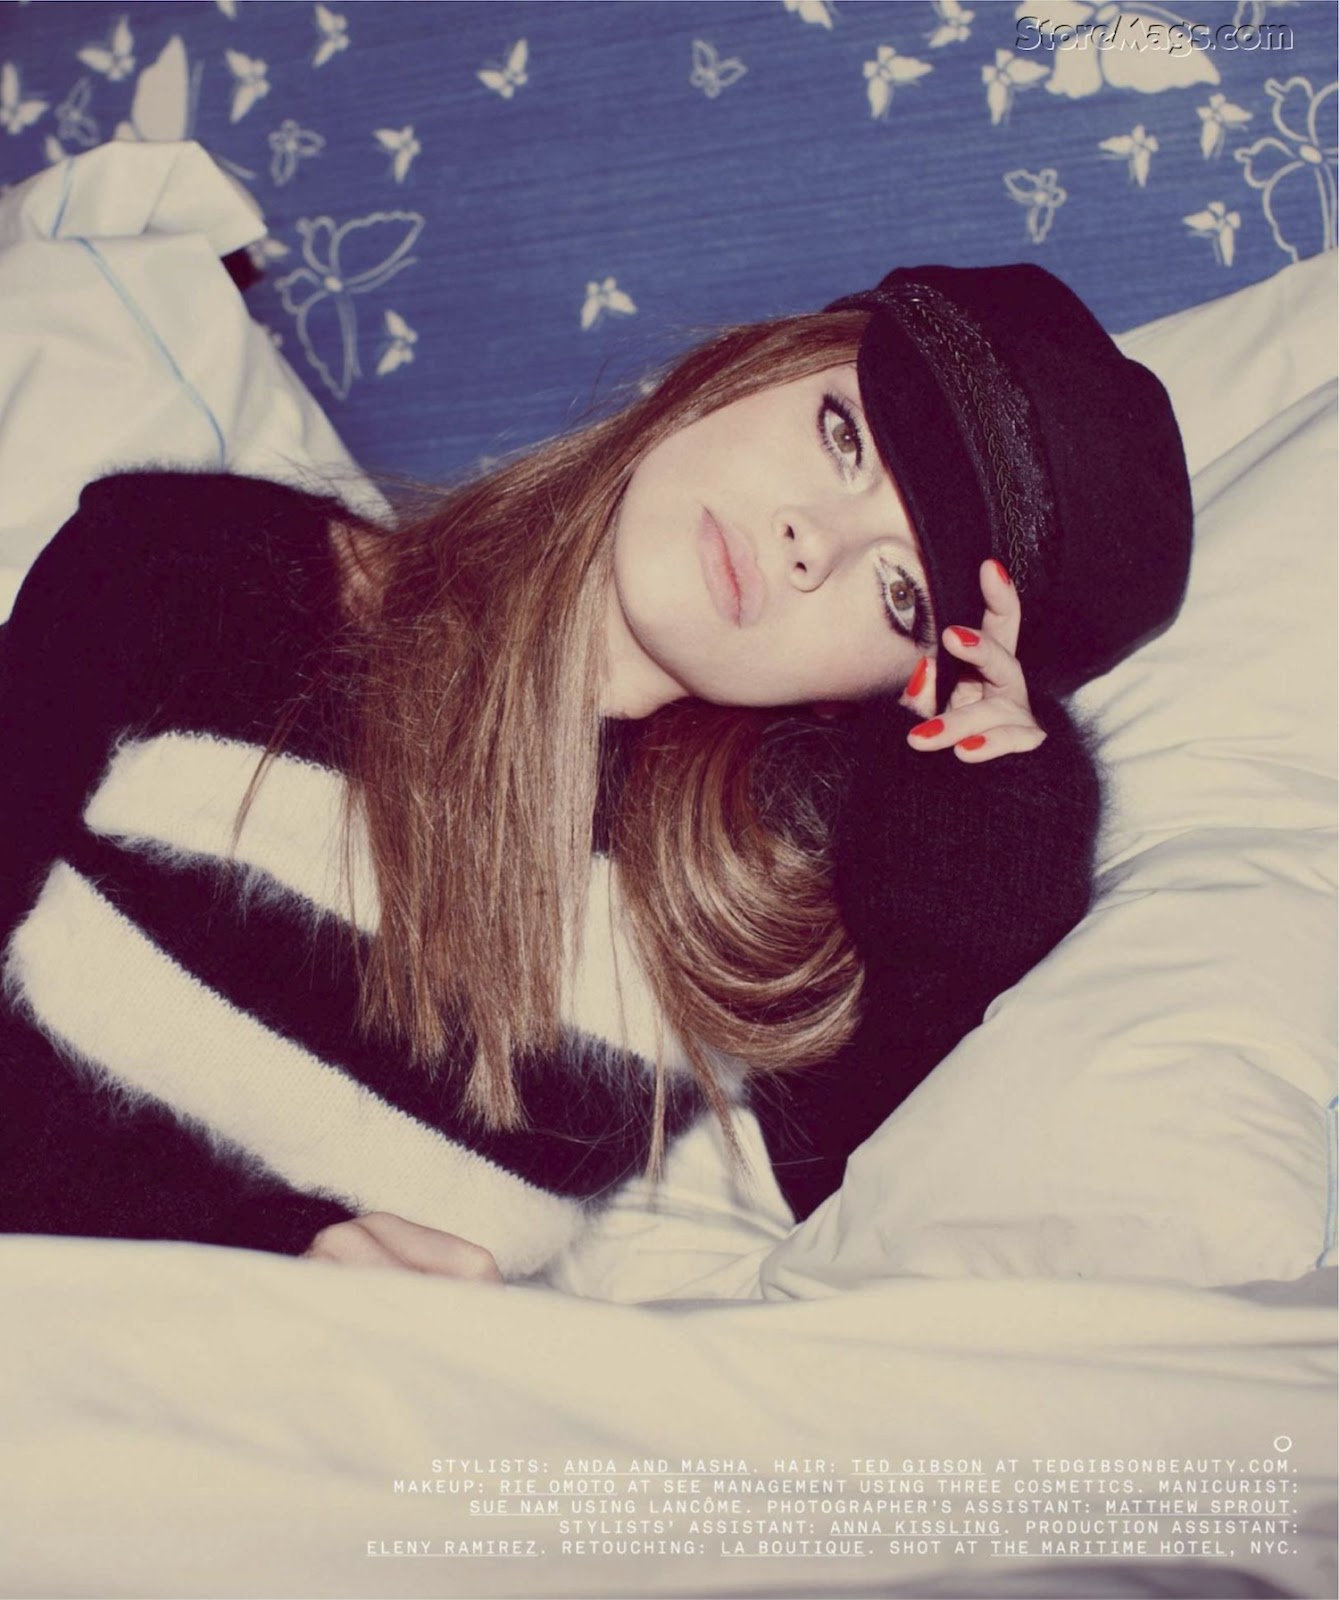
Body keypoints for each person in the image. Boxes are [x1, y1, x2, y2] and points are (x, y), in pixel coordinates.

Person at [0, 263, 1192, 1281]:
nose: (813, 544)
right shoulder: (198, 568)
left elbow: (879, 1210)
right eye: (842, 436)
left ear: (888, 685)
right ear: (742, 369)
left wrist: (993, 821)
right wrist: (252, 1244)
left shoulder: (758, 902)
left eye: (900, 594)